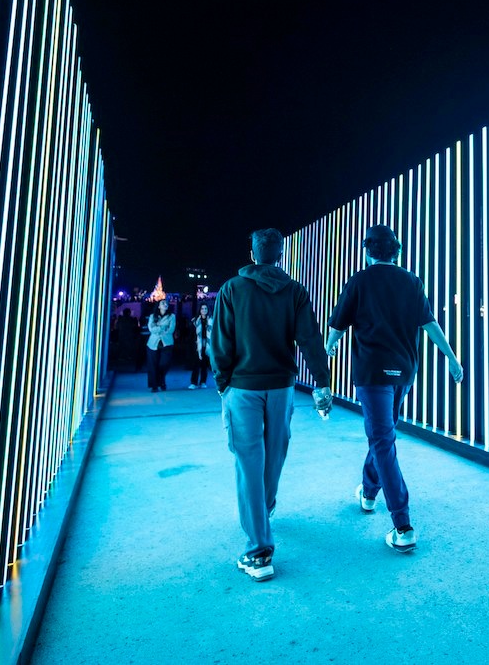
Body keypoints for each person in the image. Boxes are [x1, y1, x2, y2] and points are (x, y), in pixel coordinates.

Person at [325, 224, 463, 554]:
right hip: (403, 372)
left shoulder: (359, 281)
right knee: (383, 436)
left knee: (382, 439)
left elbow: (338, 323)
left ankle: (403, 524)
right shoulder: (411, 281)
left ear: (367, 251)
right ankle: (369, 492)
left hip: (372, 373)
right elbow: (430, 324)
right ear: (397, 251)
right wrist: (452, 358)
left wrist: (329, 345)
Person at [211, 228, 332, 581]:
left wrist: (224, 385)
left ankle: (258, 552)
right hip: (281, 386)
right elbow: (310, 338)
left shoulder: (232, 289)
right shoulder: (294, 291)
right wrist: (322, 384)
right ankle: (265, 509)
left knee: (249, 460)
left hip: (244, 388)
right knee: (275, 452)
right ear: (280, 255)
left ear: (252, 253)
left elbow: (221, 342)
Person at [146, 299, 176, 391]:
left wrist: (158, 326)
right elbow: (151, 329)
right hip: (153, 343)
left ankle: (161, 379)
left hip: (167, 343)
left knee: (164, 363)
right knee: (153, 365)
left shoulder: (172, 316)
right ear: (158, 306)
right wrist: (163, 327)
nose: (165, 304)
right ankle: (155, 385)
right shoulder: (152, 316)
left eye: (166, 303)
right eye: (163, 303)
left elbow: (171, 329)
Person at [189, 302, 213, 389]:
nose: (204, 310)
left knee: (204, 365)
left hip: (207, 346)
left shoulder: (211, 320)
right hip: (197, 346)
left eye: (205, 309)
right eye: (202, 309)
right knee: (196, 364)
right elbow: (191, 335)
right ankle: (193, 383)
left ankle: (203, 382)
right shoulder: (195, 321)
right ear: (199, 310)